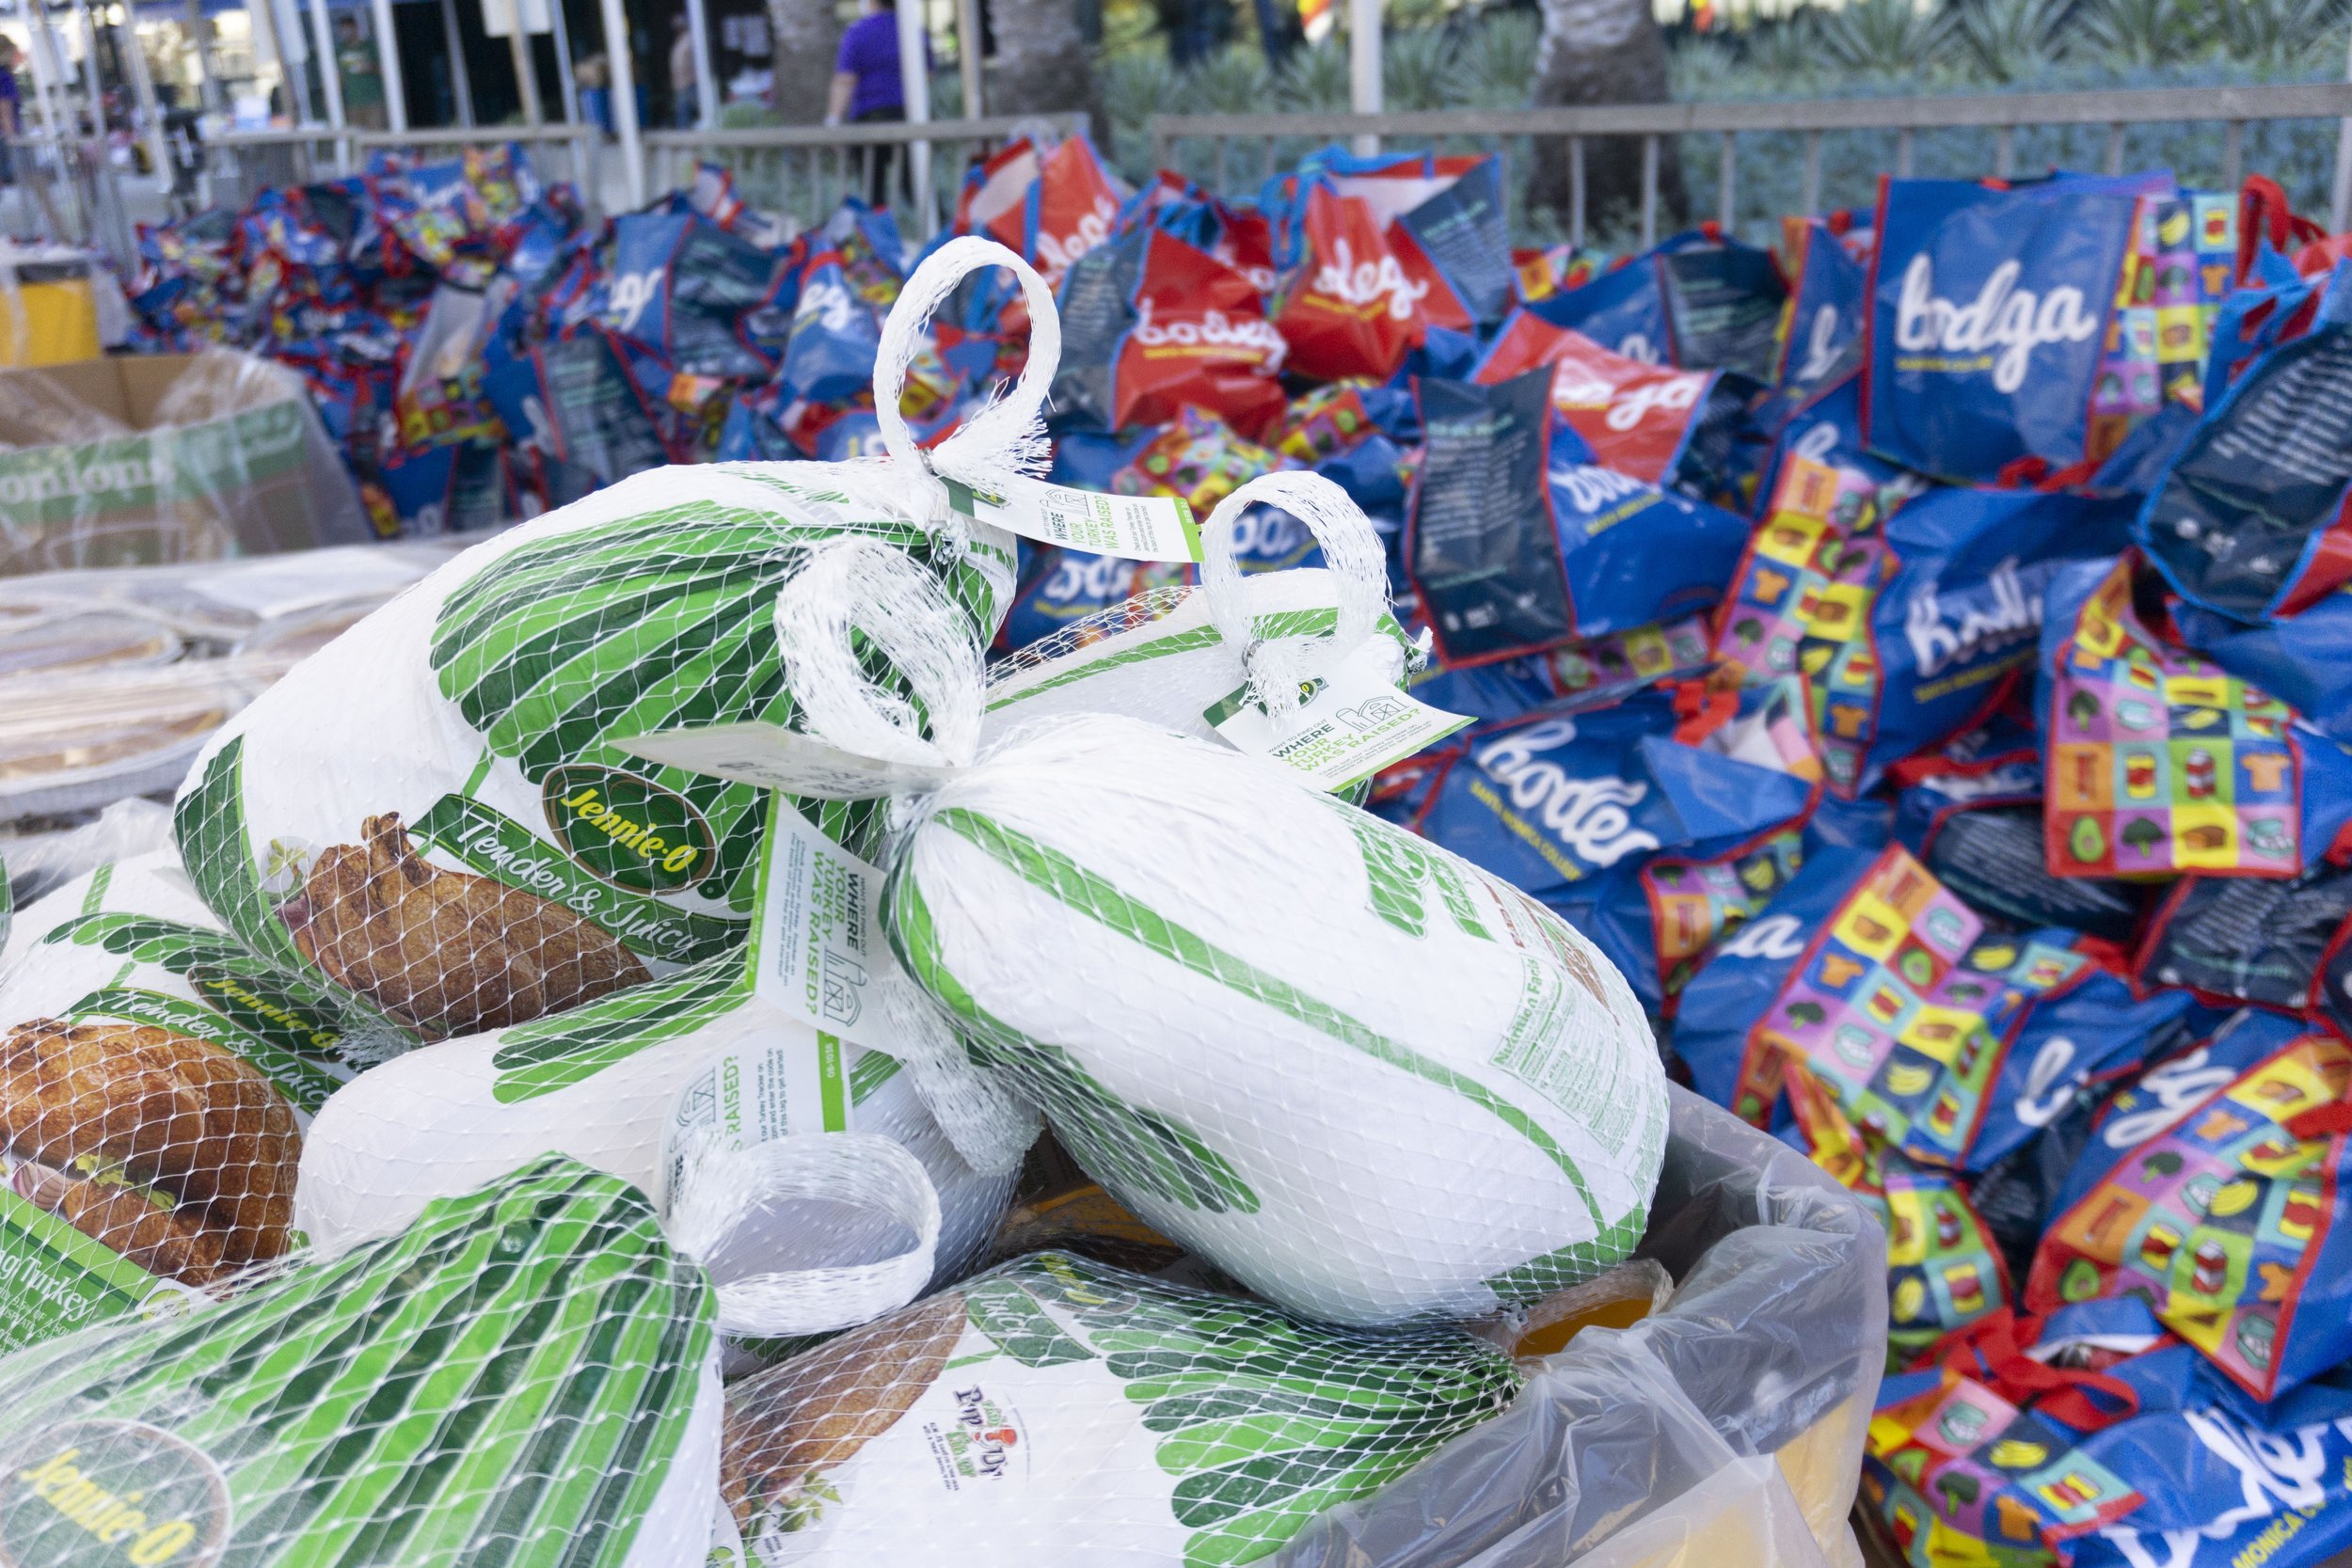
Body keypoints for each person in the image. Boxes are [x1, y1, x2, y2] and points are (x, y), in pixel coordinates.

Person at [826, 0, 928, 210]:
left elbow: (845, 80)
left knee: (873, 192)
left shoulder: (858, 32)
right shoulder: (914, 30)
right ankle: (943, 235)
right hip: (909, 119)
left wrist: (833, 119)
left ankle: (879, 236)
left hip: (869, 123)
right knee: (918, 188)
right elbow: (929, 74)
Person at [334, 14, 388, 131]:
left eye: (347, 29)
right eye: (342, 30)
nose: (345, 33)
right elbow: (339, 76)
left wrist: (370, 68)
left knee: (376, 134)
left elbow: (386, 71)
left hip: (373, 100)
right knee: (356, 136)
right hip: (353, 102)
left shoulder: (370, 47)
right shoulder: (340, 51)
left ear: (355, 28)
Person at [0, 36, 24, 187]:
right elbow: (5, 112)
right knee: (31, 173)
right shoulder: (4, 78)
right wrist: (12, 136)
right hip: (7, 138)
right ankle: (51, 211)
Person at [669, 10, 696, 128]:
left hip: (689, 82)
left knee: (688, 109)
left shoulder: (689, 39)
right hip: (680, 84)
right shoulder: (679, 41)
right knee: (682, 111)